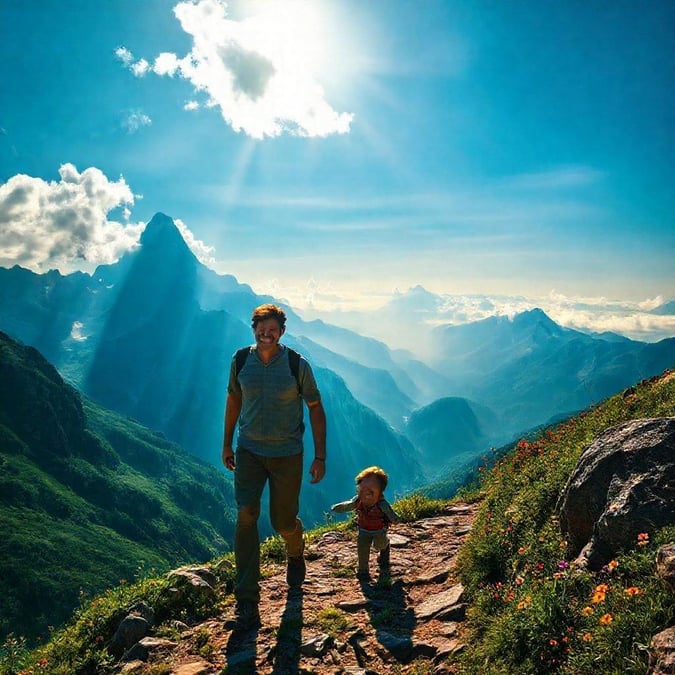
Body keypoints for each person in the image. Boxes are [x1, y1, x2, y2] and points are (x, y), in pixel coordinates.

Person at [222, 303, 327, 629]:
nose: (266, 335)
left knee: (282, 521)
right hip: (250, 450)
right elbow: (234, 399)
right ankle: (247, 597)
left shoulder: (297, 364)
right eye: (260, 329)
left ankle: (294, 549)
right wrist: (226, 442)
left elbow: (315, 407)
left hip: (287, 454)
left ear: (282, 332)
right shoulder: (241, 360)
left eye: (272, 330)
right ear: (253, 329)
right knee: (246, 514)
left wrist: (320, 455)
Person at [331, 466, 400, 581]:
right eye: (363, 490)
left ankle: (385, 547)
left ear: (380, 492)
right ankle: (363, 570)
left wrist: (395, 519)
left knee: (379, 545)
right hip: (363, 530)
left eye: (371, 491)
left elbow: (390, 513)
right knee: (362, 549)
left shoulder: (382, 504)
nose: (366, 494)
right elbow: (349, 505)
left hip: (379, 530)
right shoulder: (358, 501)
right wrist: (339, 508)